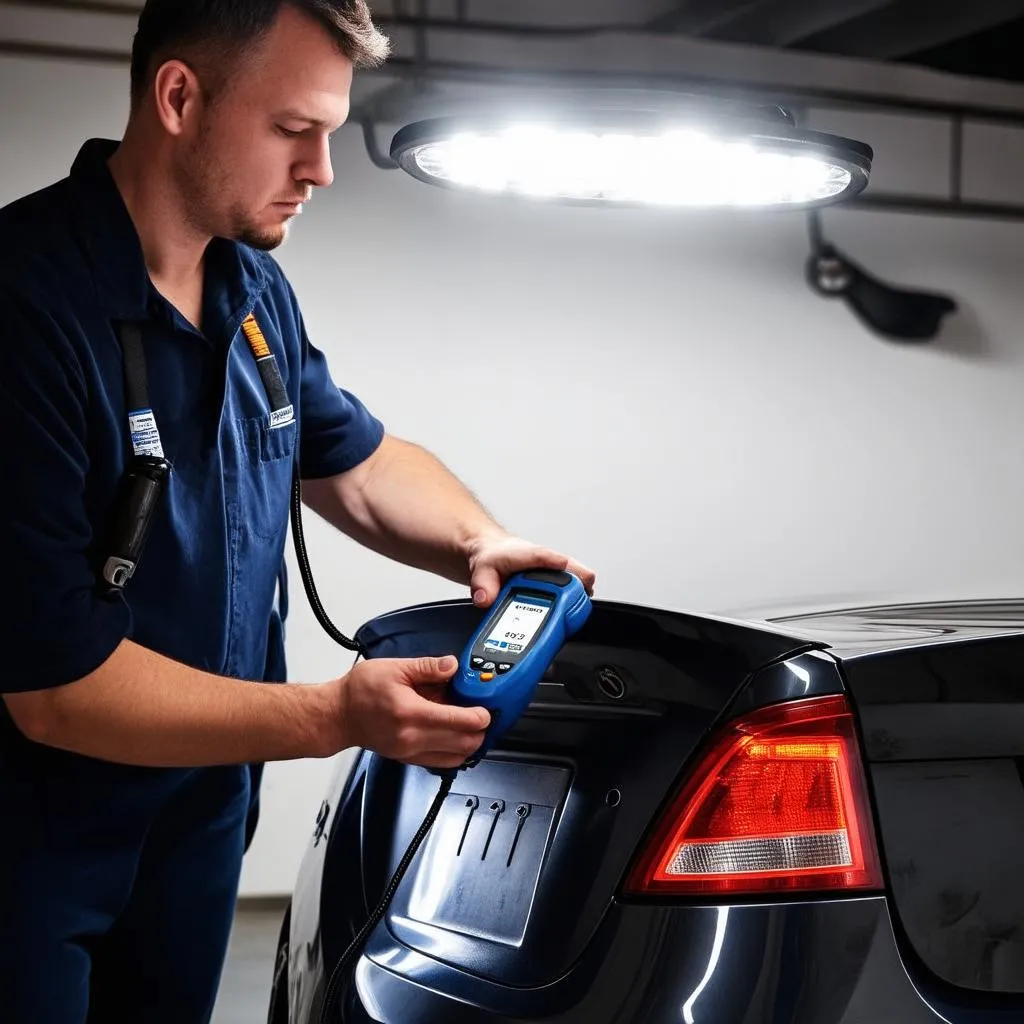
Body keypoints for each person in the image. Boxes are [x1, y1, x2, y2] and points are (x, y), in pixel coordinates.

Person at [0, 2, 596, 1021]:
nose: (322, 167)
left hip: (199, 814)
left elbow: (357, 465)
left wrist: (477, 541)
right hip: (32, 829)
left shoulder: (255, 292)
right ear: (179, 97)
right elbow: (53, 686)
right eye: (292, 130)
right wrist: (334, 715)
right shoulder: (23, 304)